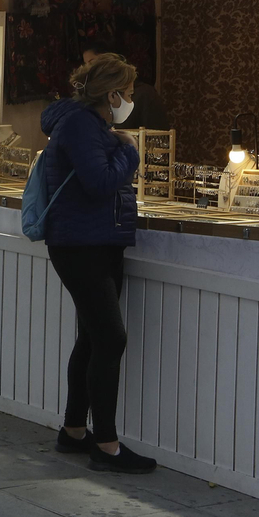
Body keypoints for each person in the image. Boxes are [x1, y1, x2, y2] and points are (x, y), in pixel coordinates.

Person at [40, 52, 156, 474]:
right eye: (127, 92)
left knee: (92, 337)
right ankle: (106, 446)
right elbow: (100, 182)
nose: (130, 99)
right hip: (81, 245)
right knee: (110, 338)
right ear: (111, 95)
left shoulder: (86, 124)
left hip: (97, 241)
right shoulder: (80, 125)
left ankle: (74, 431)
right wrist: (130, 150)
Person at [81, 39, 170, 131]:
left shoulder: (145, 94)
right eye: (86, 65)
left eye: (92, 63)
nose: (89, 69)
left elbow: (159, 135)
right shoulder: (93, 97)